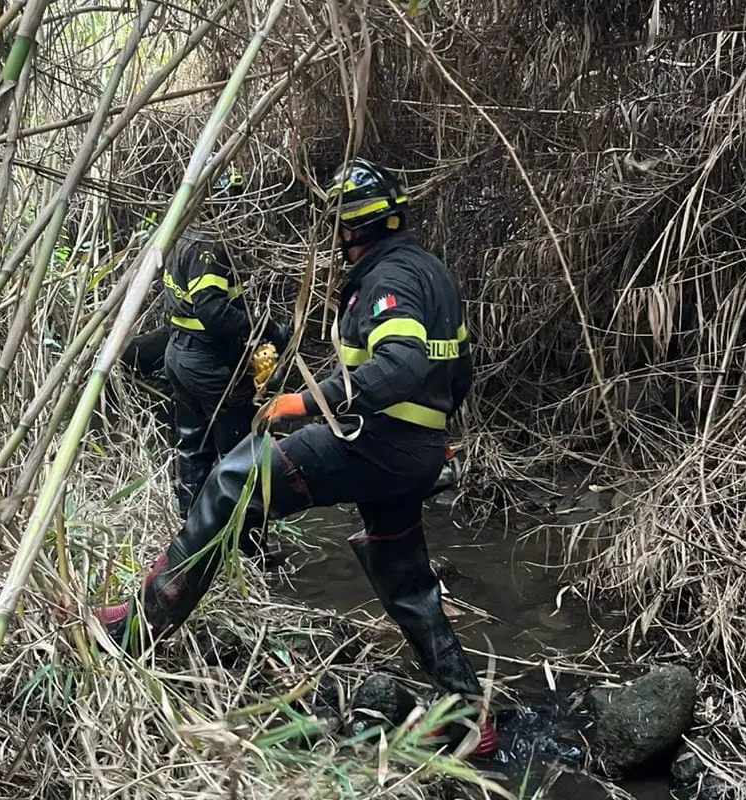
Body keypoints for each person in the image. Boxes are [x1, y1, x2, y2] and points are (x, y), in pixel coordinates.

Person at [97, 158, 496, 757]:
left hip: (378, 442)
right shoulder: (430, 271)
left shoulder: (388, 280)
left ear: (349, 226)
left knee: (234, 479)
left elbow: (404, 363)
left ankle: (137, 629)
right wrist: (427, 437)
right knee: (403, 574)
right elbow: (456, 372)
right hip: (412, 450)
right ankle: (465, 713)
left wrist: (304, 403)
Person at [159, 167, 290, 518]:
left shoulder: (184, 235)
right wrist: (268, 329)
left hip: (180, 356)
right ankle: (244, 538)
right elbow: (213, 312)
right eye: (235, 201)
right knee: (240, 454)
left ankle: (191, 530)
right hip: (208, 363)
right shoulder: (210, 245)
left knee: (193, 448)